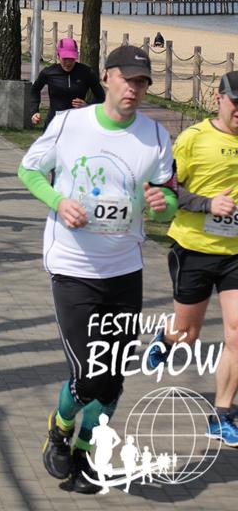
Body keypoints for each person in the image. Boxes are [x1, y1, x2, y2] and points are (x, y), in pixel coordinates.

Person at [18, 44, 177, 493]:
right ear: (106, 77)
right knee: (89, 374)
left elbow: (167, 199)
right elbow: (29, 170)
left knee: (113, 378)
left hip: (124, 268)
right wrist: (58, 201)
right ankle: (59, 428)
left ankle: (85, 453)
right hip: (73, 265)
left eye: (142, 82)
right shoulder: (71, 124)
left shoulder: (155, 136)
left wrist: (161, 203)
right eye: (127, 79)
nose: (134, 89)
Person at [147, 70, 238, 447]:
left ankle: (222, 415)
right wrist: (207, 204)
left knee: (237, 332)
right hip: (195, 248)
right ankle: (167, 338)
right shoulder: (194, 139)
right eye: (236, 102)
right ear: (219, 99)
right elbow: (167, 189)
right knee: (188, 333)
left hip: (235, 253)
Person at [30, 38, 105, 129]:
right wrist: (34, 111)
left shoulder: (87, 73)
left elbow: (101, 97)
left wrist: (88, 106)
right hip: (54, 123)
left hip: (78, 124)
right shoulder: (49, 72)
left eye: (72, 59)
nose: (68, 63)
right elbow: (35, 89)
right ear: (58, 56)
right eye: (65, 58)